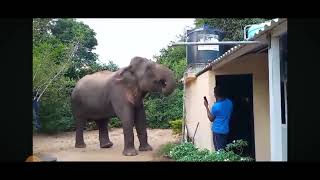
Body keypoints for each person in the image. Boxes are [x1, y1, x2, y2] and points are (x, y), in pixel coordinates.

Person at [203, 86, 233, 151]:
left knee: (219, 151)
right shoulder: (229, 102)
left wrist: (207, 107)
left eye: (214, 93)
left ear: (215, 94)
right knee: (224, 149)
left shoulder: (216, 106)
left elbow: (211, 119)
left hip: (218, 131)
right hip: (226, 130)